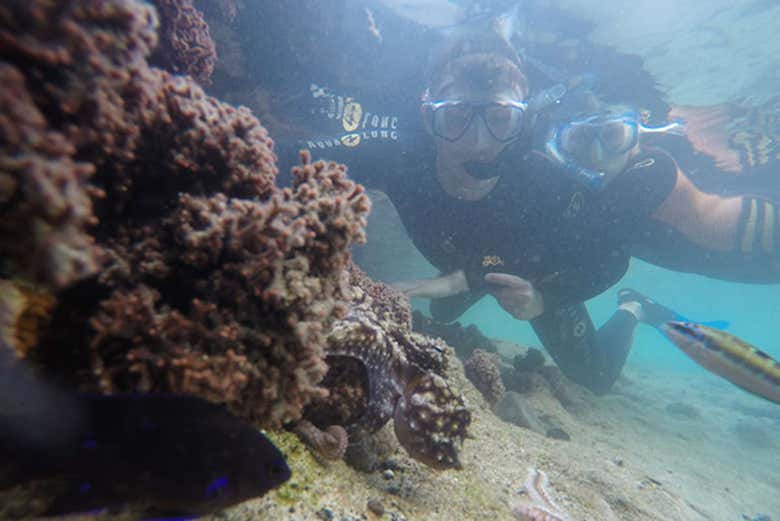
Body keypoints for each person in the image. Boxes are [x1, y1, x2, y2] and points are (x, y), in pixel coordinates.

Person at [277, 16, 780, 395]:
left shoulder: (544, 171)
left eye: (500, 119)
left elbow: (606, 257)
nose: (479, 140)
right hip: (460, 268)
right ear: (426, 113)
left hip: (525, 277)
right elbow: (288, 160)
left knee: (597, 378)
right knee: (446, 308)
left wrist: (541, 298)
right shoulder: (400, 152)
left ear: (522, 119)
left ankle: (636, 308)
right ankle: (458, 290)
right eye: (455, 118)